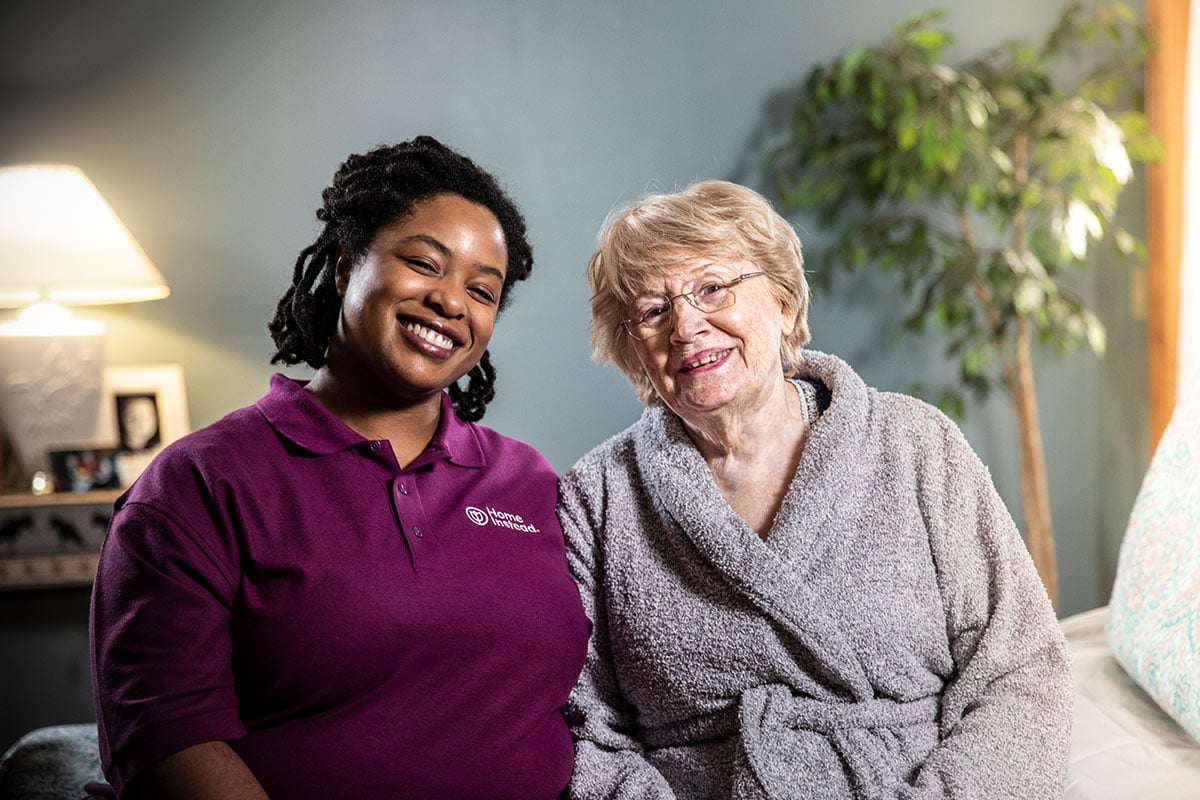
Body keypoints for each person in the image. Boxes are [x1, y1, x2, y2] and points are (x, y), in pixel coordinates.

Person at [88, 136, 590, 800]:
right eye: (424, 263)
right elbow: (164, 734)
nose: (451, 302)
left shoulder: (529, 483)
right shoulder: (200, 484)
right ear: (349, 263)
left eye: (482, 291)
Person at [558, 180, 1072, 799]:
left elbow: (1020, 670)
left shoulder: (915, 444)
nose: (687, 326)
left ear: (780, 300)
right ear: (634, 350)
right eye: (653, 310)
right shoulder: (597, 500)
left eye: (713, 288)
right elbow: (586, 731)